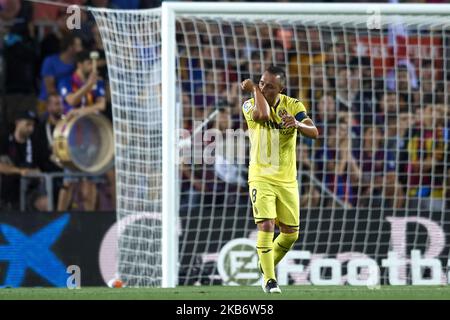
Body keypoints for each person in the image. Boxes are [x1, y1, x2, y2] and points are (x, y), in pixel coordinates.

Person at [241, 65, 318, 293]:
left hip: (287, 180)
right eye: (262, 83)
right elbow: (262, 115)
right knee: (266, 224)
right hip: (260, 176)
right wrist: (254, 88)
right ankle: (270, 280)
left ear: (281, 88)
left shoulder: (293, 106)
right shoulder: (250, 103)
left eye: (270, 86)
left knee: (291, 234)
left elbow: (314, 132)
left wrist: (297, 124)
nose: (264, 88)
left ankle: (265, 266)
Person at [57, 50, 106, 211]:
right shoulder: (66, 81)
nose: (92, 67)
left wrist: (79, 111)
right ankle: (59, 215)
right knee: (69, 180)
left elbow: (101, 105)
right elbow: (71, 100)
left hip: (91, 136)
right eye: (88, 63)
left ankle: (90, 217)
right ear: (79, 65)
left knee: (91, 180)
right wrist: (88, 86)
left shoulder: (97, 82)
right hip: (71, 136)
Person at [0, 110, 46, 210]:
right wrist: (20, 171)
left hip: (30, 191)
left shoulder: (36, 144)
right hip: (6, 190)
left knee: (45, 203)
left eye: (33, 125)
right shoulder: (4, 140)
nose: (31, 129)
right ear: (17, 123)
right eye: (28, 124)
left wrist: (38, 173)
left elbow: (42, 167)